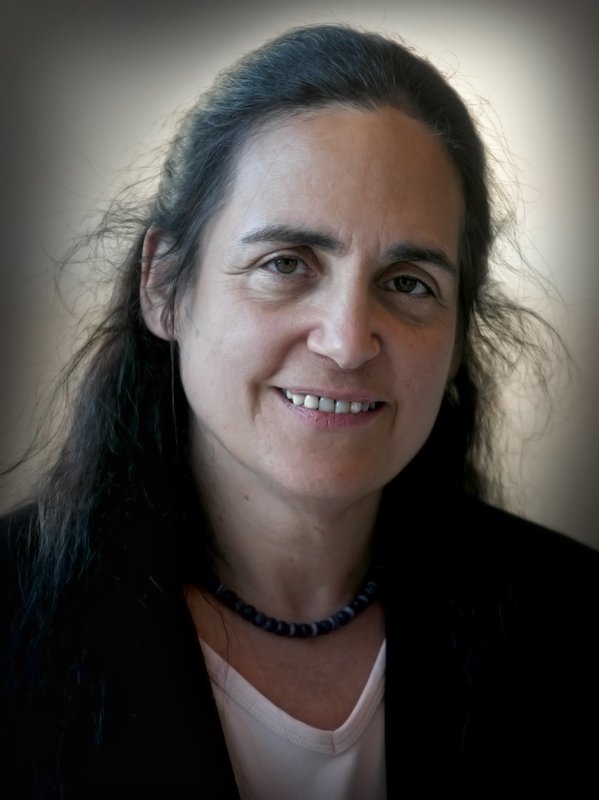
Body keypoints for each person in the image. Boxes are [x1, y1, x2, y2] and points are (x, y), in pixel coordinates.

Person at [1, 22, 598, 799]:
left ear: (456, 335)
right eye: (285, 263)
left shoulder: (574, 622)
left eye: (408, 283)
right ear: (163, 285)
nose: (347, 342)